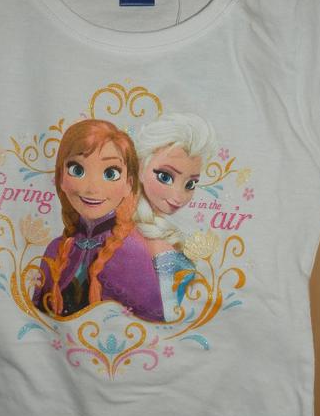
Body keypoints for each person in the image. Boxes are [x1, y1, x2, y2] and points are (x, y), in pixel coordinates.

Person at [32, 119, 165, 322]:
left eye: (110, 173)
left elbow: (150, 327)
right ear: (61, 178)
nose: (92, 188)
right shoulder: (55, 249)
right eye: (77, 170)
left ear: (129, 184)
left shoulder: (133, 251)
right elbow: (38, 322)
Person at [133, 113, 217, 321]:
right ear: (140, 167)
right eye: (165, 176)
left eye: (190, 184)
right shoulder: (133, 235)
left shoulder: (160, 231)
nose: (178, 197)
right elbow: (166, 316)